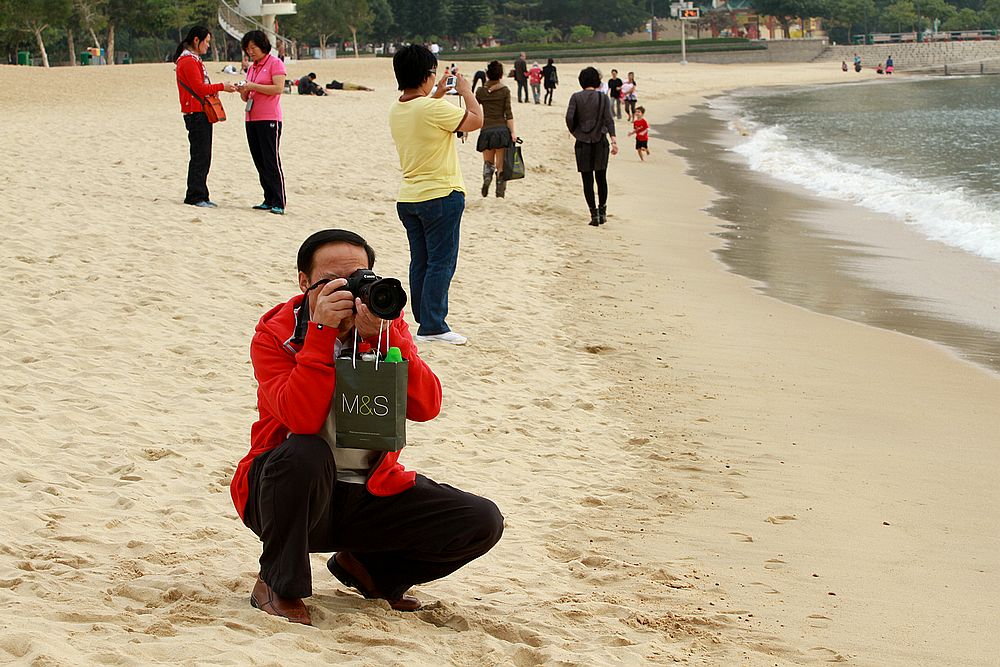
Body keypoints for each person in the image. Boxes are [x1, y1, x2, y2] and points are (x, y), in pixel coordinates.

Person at [233, 228, 504, 625]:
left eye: (357, 278)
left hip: (370, 490)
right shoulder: (276, 333)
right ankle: (276, 583)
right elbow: (302, 419)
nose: (346, 290)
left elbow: (426, 406)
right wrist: (322, 335)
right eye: (329, 282)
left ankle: (370, 571)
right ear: (304, 282)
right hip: (286, 492)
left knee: (480, 521)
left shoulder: (383, 323)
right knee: (305, 451)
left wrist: (388, 336)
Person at [388, 44, 484, 345]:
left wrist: (438, 92)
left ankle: (425, 321)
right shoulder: (432, 108)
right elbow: (476, 120)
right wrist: (467, 91)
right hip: (441, 194)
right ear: (426, 76)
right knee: (441, 262)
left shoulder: (398, 108)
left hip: (410, 197)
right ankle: (433, 325)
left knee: (420, 261)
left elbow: (424, 113)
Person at [173, 26, 236, 208]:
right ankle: (195, 195)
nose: (208, 46)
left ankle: (201, 193)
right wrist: (221, 86)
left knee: (203, 155)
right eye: (206, 41)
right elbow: (200, 88)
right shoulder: (189, 61)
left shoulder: (191, 59)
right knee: (200, 155)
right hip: (196, 113)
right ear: (196, 40)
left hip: (198, 112)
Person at [237, 30, 287, 215]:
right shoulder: (252, 67)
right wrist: (243, 90)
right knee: (259, 159)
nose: (251, 52)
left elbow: (278, 88)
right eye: (247, 49)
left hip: (269, 118)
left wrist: (253, 86)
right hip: (252, 118)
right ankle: (268, 197)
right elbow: (247, 96)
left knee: (270, 159)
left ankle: (279, 200)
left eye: (253, 47)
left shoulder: (275, 63)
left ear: (262, 45)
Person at [566, 66, 617, 226]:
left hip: (582, 143)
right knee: (601, 178)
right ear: (597, 81)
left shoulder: (575, 97)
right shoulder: (603, 98)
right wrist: (614, 140)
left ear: (581, 81)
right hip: (600, 141)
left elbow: (569, 117)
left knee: (587, 179)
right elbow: (609, 120)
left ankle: (593, 214)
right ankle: (602, 212)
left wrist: (575, 131)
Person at [475, 60, 517, 198]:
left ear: (487, 74)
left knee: (488, 162)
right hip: (501, 130)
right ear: (501, 75)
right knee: (501, 166)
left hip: (486, 130)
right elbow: (508, 114)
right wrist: (513, 133)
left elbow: (475, 109)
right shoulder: (504, 90)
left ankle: (487, 178)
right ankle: (500, 193)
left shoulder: (481, 91)